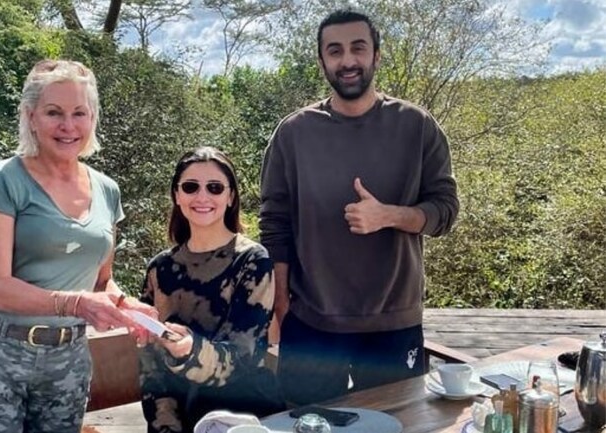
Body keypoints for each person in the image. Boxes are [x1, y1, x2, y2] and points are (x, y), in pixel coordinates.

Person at [0, 59, 156, 433]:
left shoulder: (107, 190)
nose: (68, 126)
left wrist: (128, 308)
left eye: (79, 113)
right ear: (31, 116)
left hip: (68, 360)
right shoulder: (2, 180)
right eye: (54, 112)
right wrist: (75, 303)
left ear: (93, 118)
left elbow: (101, 280)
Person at [259, 8, 459, 406]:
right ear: (321, 61)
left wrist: (390, 215)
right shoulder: (293, 133)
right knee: (304, 423)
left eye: (358, 48)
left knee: (397, 424)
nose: (347, 60)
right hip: (312, 320)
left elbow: (446, 210)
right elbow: (274, 225)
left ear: (376, 55)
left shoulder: (417, 126)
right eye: (334, 51)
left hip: (393, 321)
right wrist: (281, 306)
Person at [139, 147, 285, 433]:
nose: (202, 197)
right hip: (177, 418)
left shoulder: (253, 260)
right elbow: (150, 366)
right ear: (177, 195)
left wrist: (190, 350)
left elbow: (243, 358)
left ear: (230, 197)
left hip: (241, 419)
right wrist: (165, 424)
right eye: (191, 187)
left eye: (215, 188)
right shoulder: (159, 269)